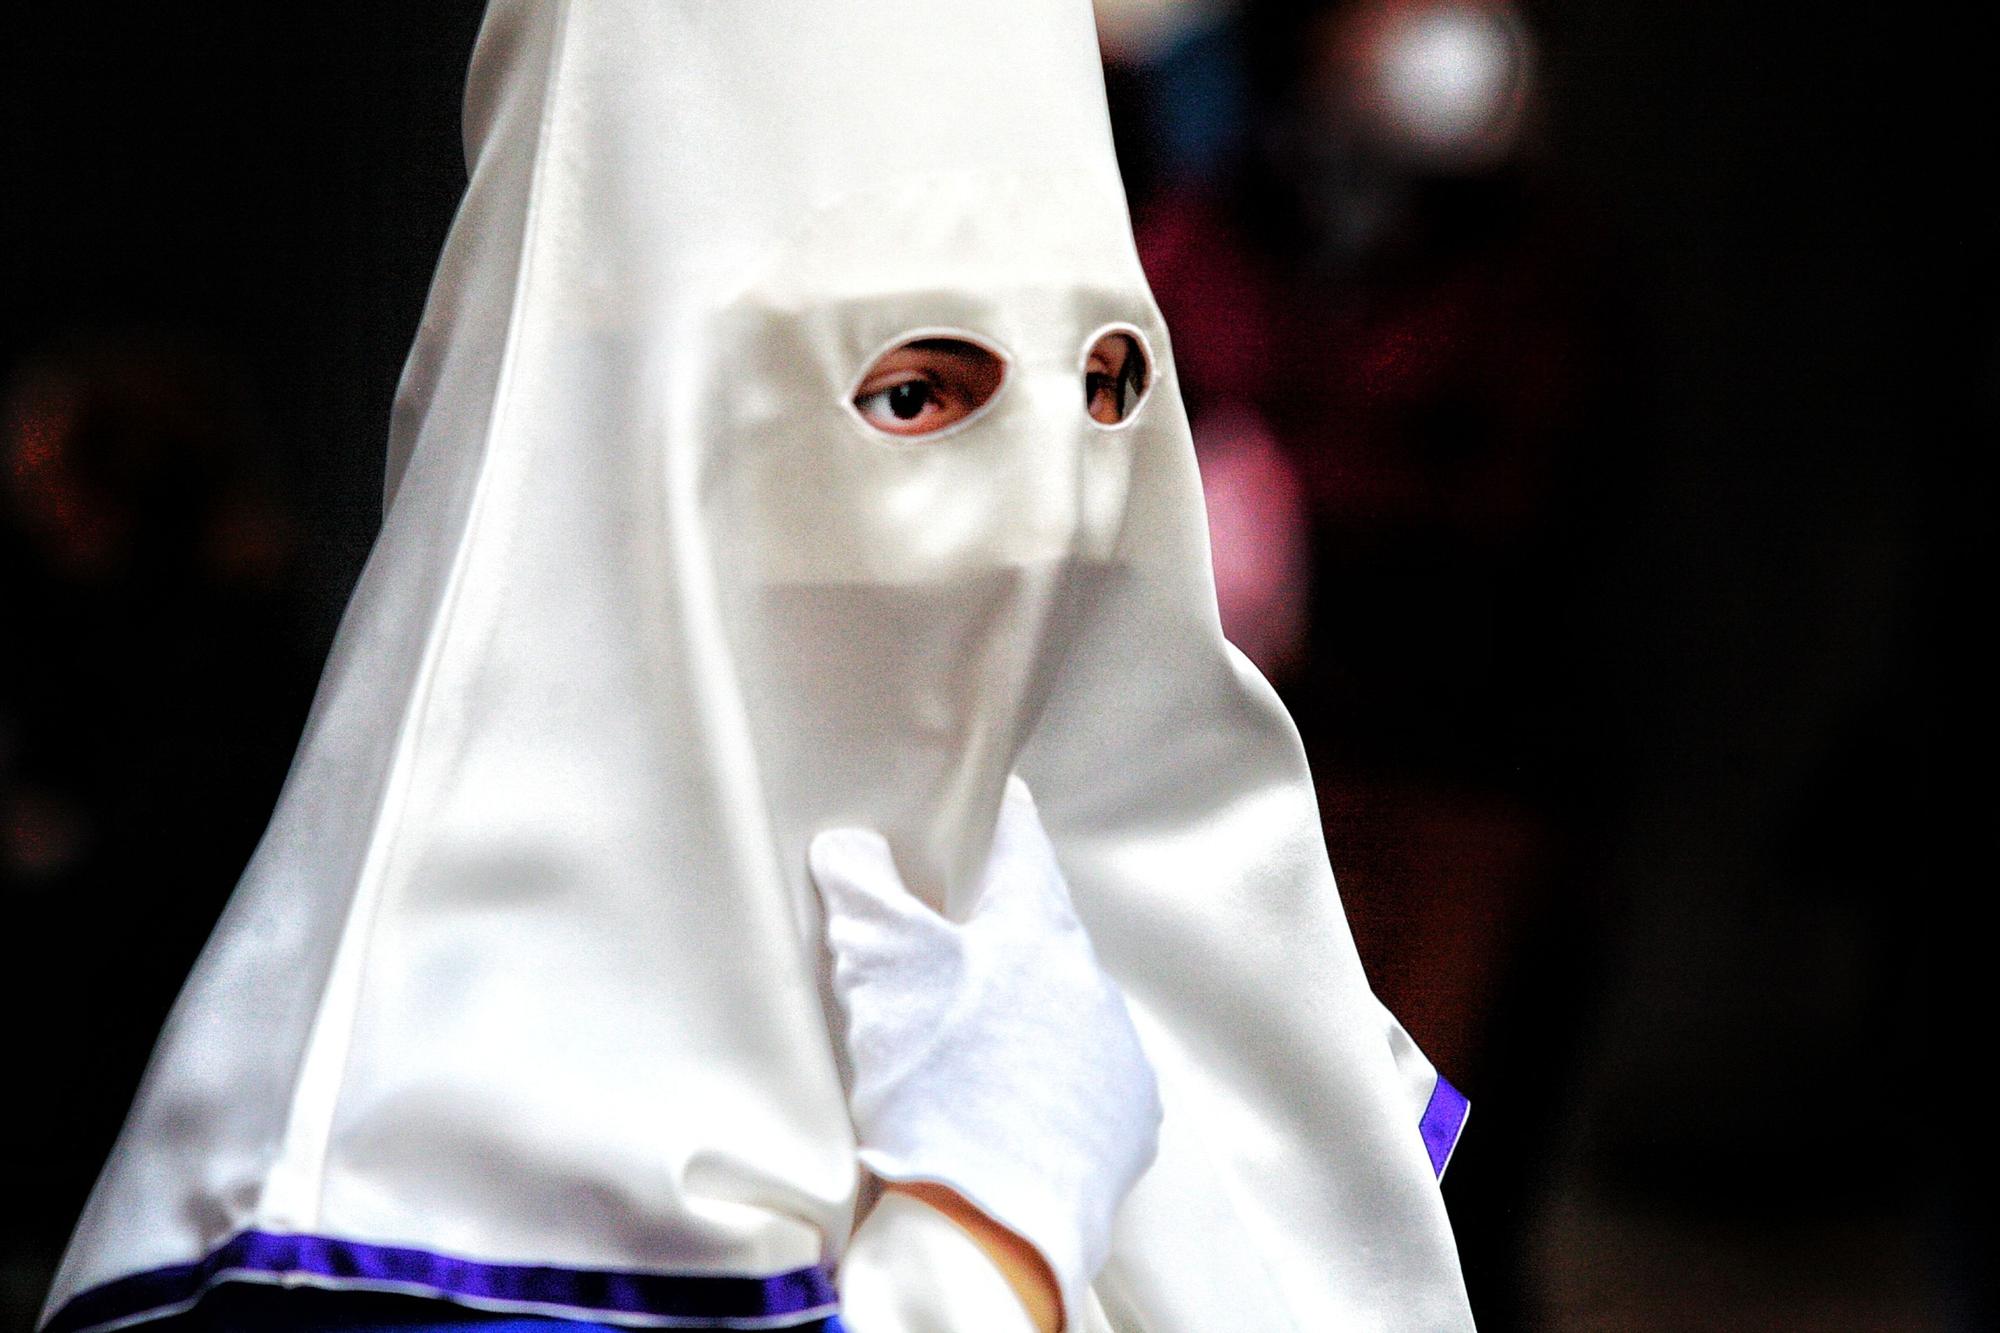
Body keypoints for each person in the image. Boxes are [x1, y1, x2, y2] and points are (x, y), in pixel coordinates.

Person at [39, 1, 1473, 1330]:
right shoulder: (376, 1165)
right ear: (643, 423)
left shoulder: (1147, 1034)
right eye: (917, 392)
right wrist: (991, 1243)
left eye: (1105, 389)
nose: (1050, 520)